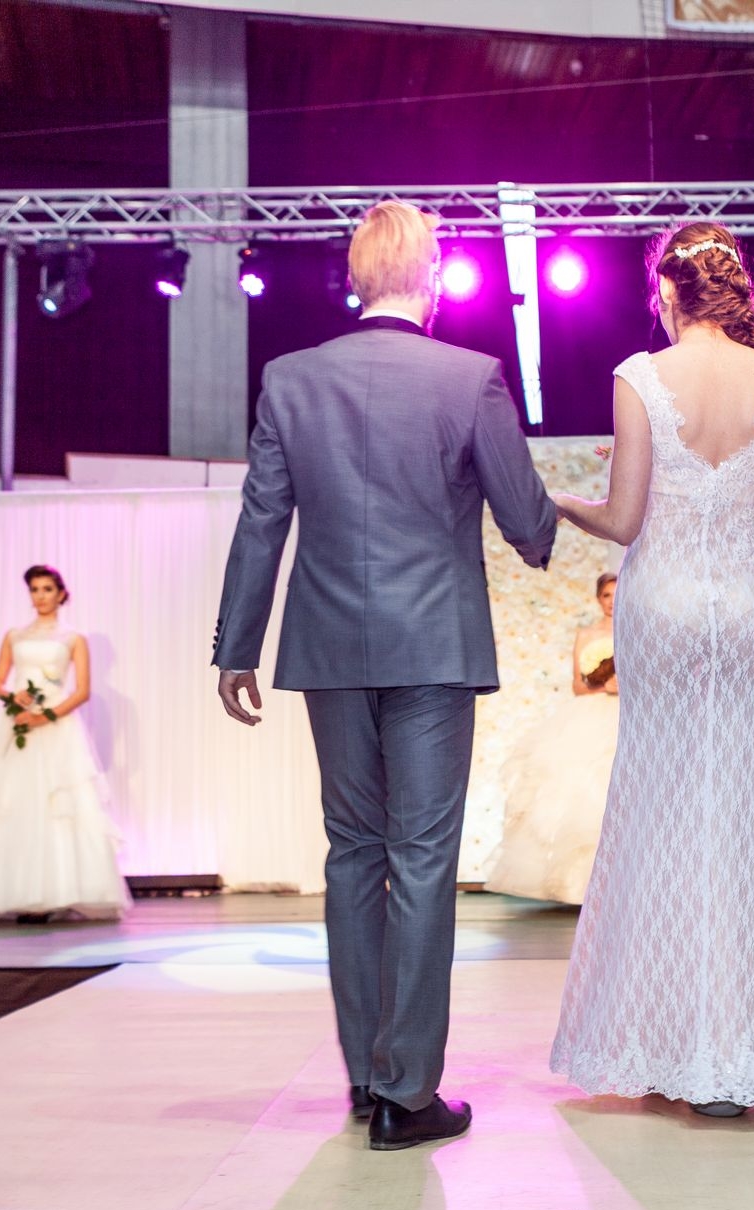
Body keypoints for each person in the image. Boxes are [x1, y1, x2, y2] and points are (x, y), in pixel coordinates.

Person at [213, 201, 556, 1152]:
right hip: (434, 648)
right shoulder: (470, 377)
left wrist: (237, 647)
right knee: (423, 858)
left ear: (355, 278)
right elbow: (525, 521)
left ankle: (369, 1076)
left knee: (352, 854)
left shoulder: (290, 379)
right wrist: (547, 525)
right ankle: (408, 1092)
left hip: (327, 651)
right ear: (433, 279)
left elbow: (261, 521)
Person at [548, 220, 754, 1119]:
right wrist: (732, 527)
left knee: (662, 806)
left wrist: (557, 499)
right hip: (741, 611)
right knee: (745, 807)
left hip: (664, 606)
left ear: (671, 292)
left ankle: (664, 1043)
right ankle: (743, 1046)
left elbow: (624, 519)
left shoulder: (640, 376)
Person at [0, 565, 129, 923]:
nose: (40, 596)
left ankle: (54, 893)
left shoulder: (73, 638)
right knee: (8, 802)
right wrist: (13, 698)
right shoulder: (14, 635)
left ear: (61, 594)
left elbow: (81, 691)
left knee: (57, 804)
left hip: (56, 727)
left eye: (47, 589)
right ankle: (8, 890)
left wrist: (45, 716)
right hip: (17, 724)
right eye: (35, 589)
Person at [486, 573, 621, 905]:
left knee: (612, 788)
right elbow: (577, 684)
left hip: (624, 713)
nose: (612, 601)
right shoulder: (586, 634)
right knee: (576, 785)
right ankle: (574, 884)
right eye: (606, 595)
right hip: (589, 714)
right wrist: (603, 684)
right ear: (598, 599)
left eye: (617, 594)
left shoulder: (634, 629)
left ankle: (616, 882)